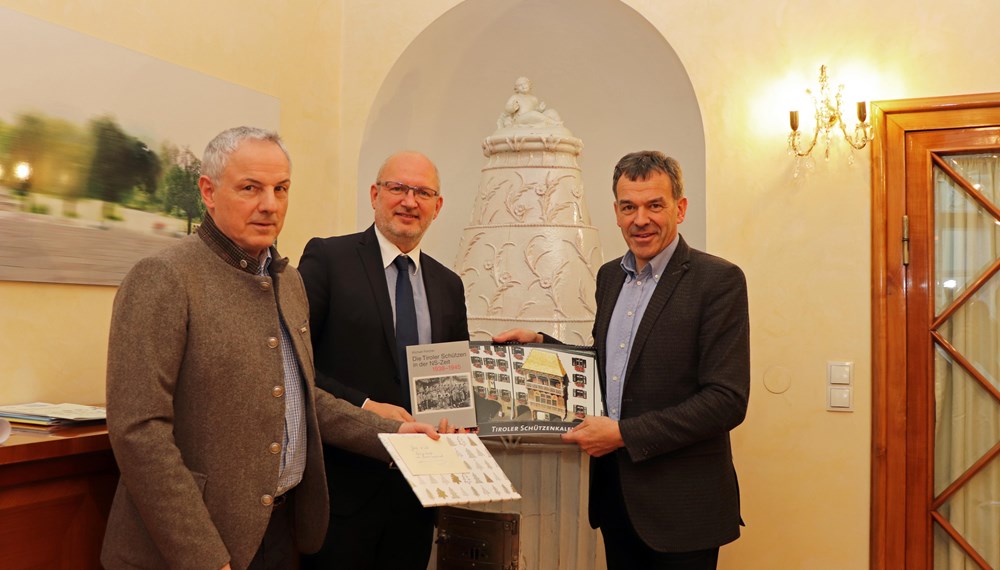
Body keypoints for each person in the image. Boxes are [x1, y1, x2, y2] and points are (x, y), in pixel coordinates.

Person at [101, 127, 441, 570]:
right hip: (188, 548)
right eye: (250, 188)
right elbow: (139, 433)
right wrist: (204, 558)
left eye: (280, 189)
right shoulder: (164, 276)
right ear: (208, 191)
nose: (269, 204)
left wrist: (392, 435)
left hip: (277, 535)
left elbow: (301, 398)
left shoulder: (288, 280)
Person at [494, 150, 750, 570]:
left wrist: (624, 434)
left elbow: (726, 399)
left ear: (680, 208)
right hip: (617, 501)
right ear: (615, 211)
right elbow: (609, 366)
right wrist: (541, 344)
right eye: (628, 206)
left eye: (654, 205)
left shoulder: (718, 280)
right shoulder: (610, 275)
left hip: (683, 510)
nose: (640, 219)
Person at [298, 151, 469, 570]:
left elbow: (453, 380)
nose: (409, 201)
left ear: (437, 206)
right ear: (375, 194)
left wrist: (458, 417)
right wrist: (364, 406)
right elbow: (296, 363)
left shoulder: (449, 284)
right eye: (398, 188)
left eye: (423, 192)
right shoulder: (327, 260)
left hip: (417, 493)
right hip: (343, 490)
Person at [497, 76, 563, 129]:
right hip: (520, 120)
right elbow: (507, 108)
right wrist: (512, 108)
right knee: (532, 114)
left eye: (525, 83)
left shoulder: (534, 99)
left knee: (552, 112)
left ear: (529, 84)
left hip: (532, 116)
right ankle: (553, 123)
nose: (523, 86)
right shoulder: (515, 97)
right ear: (516, 88)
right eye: (520, 85)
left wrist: (540, 109)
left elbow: (535, 111)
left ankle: (558, 128)